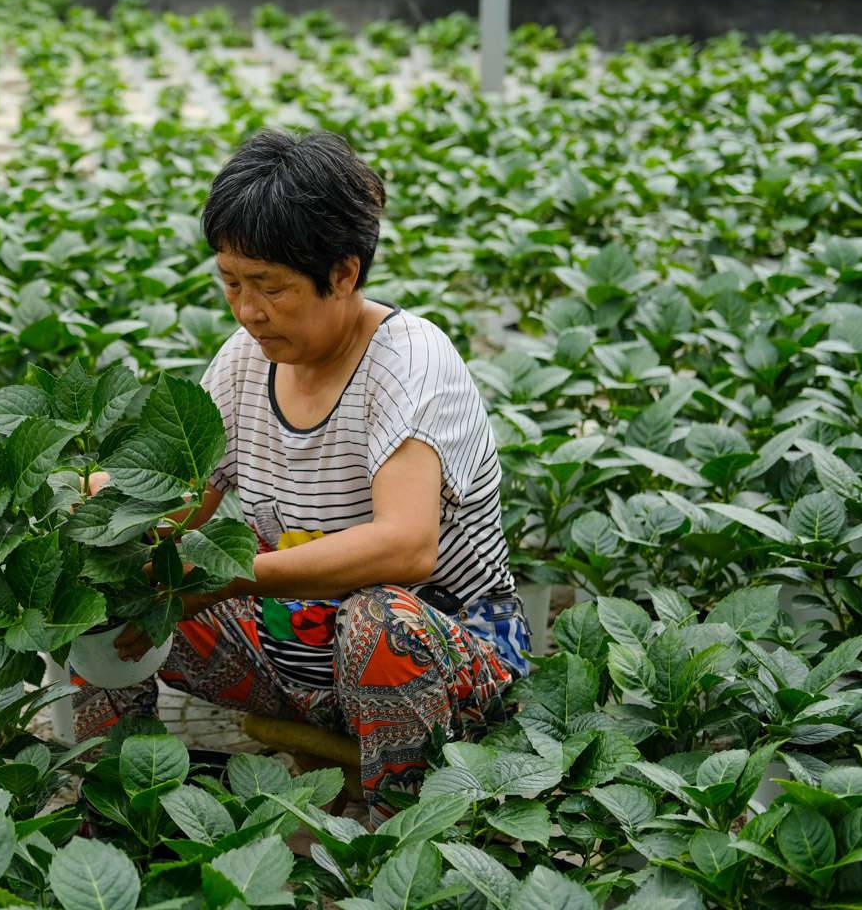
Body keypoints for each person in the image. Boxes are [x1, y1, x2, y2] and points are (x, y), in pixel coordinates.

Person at [74, 129, 531, 827]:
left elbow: (407, 549)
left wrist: (225, 579)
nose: (247, 309)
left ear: (343, 274)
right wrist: (105, 514)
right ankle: (120, 817)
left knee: (381, 623)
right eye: (231, 281)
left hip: (437, 656)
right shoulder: (243, 361)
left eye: (271, 287)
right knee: (107, 592)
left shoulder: (411, 364)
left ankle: (398, 839)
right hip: (288, 650)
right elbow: (185, 507)